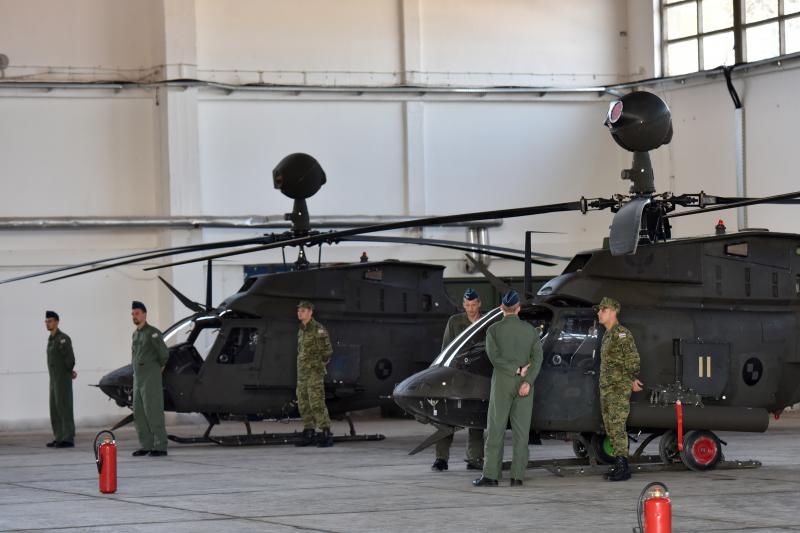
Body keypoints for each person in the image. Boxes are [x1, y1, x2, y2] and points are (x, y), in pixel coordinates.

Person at [473, 290, 543, 487]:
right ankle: (517, 476)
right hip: (525, 386)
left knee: (496, 428)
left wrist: (516, 369)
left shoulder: (493, 330)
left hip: (503, 383)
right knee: (521, 432)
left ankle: (491, 476)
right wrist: (528, 379)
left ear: (502, 308)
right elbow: (538, 359)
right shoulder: (531, 331)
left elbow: (494, 358)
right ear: (518, 308)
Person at [432, 288, 485, 472]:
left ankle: (475, 458)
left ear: (479, 303)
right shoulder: (455, 322)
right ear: (463, 305)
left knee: (476, 417)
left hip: (478, 374)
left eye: (473, 304)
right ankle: (441, 458)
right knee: (445, 417)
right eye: (467, 305)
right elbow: (446, 348)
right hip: (457, 374)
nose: (470, 308)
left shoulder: (486, 322)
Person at [594, 296, 643, 482]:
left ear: (613, 312)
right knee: (610, 427)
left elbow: (633, 359)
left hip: (617, 388)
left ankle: (624, 467)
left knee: (617, 426)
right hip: (607, 388)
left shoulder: (622, 333)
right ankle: (618, 463)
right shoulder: (608, 334)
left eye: (603, 310)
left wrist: (631, 378)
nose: (599, 313)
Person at [130, 301, 170, 457]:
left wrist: (157, 369)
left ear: (145, 314)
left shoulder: (153, 333)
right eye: (133, 314)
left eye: (137, 313)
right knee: (139, 413)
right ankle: (146, 445)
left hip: (150, 376)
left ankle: (160, 445)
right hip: (138, 378)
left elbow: (164, 355)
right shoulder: (135, 334)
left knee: (153, 411)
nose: (134, 316)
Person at [295, 300, 335, 448]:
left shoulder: (318, 329)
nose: (300, 313)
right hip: (302, 372)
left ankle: (325, 433)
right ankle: (309, 432)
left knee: (316, 401)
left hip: (314, 372)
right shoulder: (301, 329)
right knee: (303, 401)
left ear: (311, 312)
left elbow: (327, 351)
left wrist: (318, 365)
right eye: (299, 310)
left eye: (303, 311)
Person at [45, 310, 76, 448]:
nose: (47, 323)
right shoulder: (51, 340)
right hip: (53, 379)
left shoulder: (63, 338)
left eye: (50, 321)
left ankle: (68, 438)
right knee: (55, 408)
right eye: (46, 321)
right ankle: (59, 436)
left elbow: (70, 359)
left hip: (62, 378)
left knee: (64, 407)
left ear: (57, 322)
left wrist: (69, 372)